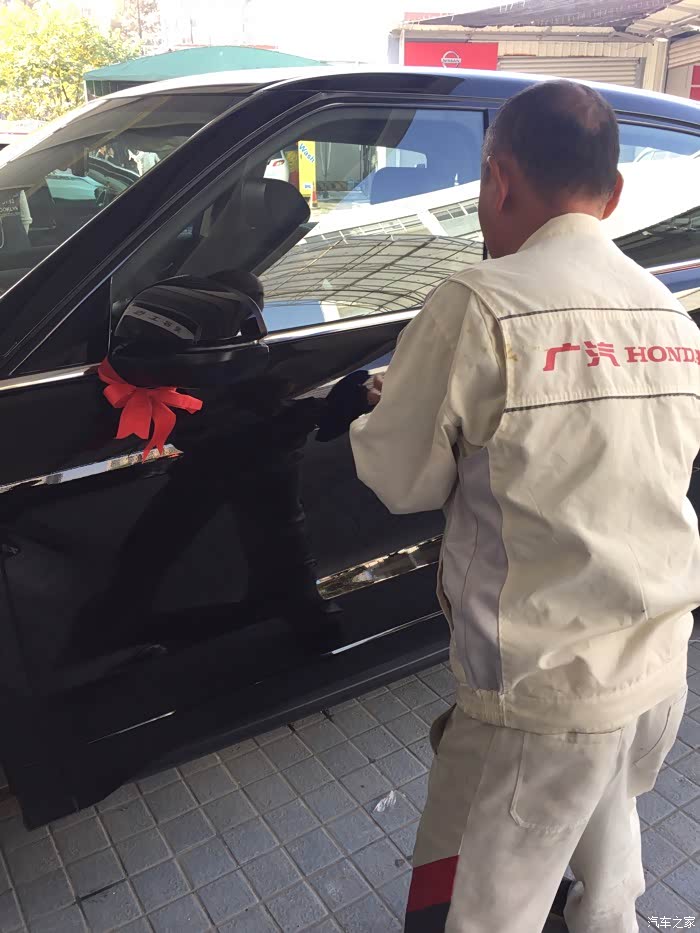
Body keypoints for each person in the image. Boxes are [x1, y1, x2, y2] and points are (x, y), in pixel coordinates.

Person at [349, 80, 700, 933]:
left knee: (472, 910)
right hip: (656, 670)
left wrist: (385, 406)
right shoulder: (670, 315)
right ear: (613, 193)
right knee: (604, 850)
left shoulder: (478, 302)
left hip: (536, 700)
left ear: (497, 179)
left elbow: (402, 479)